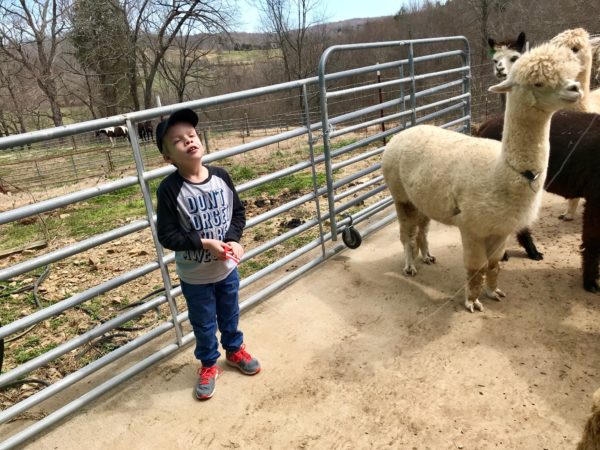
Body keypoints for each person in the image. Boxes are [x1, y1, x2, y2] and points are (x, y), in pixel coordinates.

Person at [155, 108, 260, 400]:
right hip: (196, 276)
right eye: (177, 140)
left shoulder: (221, 177)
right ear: (168, 158)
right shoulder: (169, 190)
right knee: (203, 323)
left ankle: (234, 350)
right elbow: (167, 235)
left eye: (191, 134)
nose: (188, 140)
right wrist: (204, 243)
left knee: (230, 313)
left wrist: (232, 240)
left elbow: (237, 214)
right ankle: (209, 364)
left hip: (226, 268)